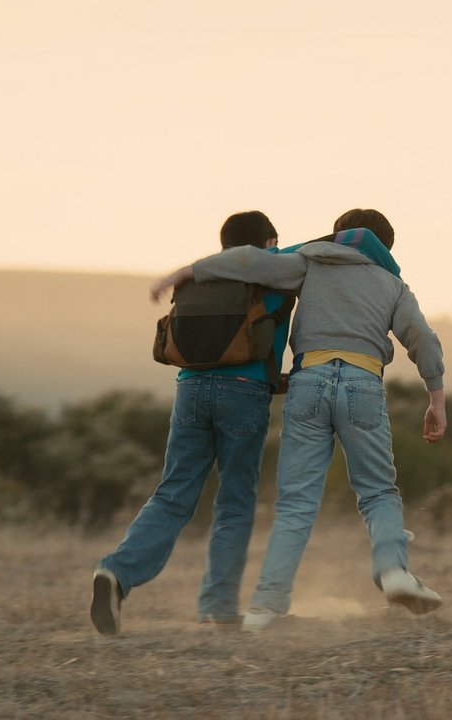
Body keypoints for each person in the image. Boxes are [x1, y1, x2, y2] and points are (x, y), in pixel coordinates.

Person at [149, 208, 447, 631]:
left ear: (338, 236)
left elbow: (248, 260)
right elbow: (423, 339)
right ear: (385, 247)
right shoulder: (393, 284)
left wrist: (184, 272)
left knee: (295, 504)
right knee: (378, 491)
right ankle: (393, 571)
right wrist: (436, 398)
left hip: (308, 382)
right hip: (362, 381)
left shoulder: (310, 262)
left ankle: (265, 608)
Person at [90, 211, 290, 636]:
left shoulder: (198, 278)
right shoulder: (276, 270)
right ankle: (218, 606)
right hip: (243, 391)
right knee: (235, 502)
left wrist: (182, 271)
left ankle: (116, 572)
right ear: (268, 242)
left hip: (191, 389)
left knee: (172, 495)